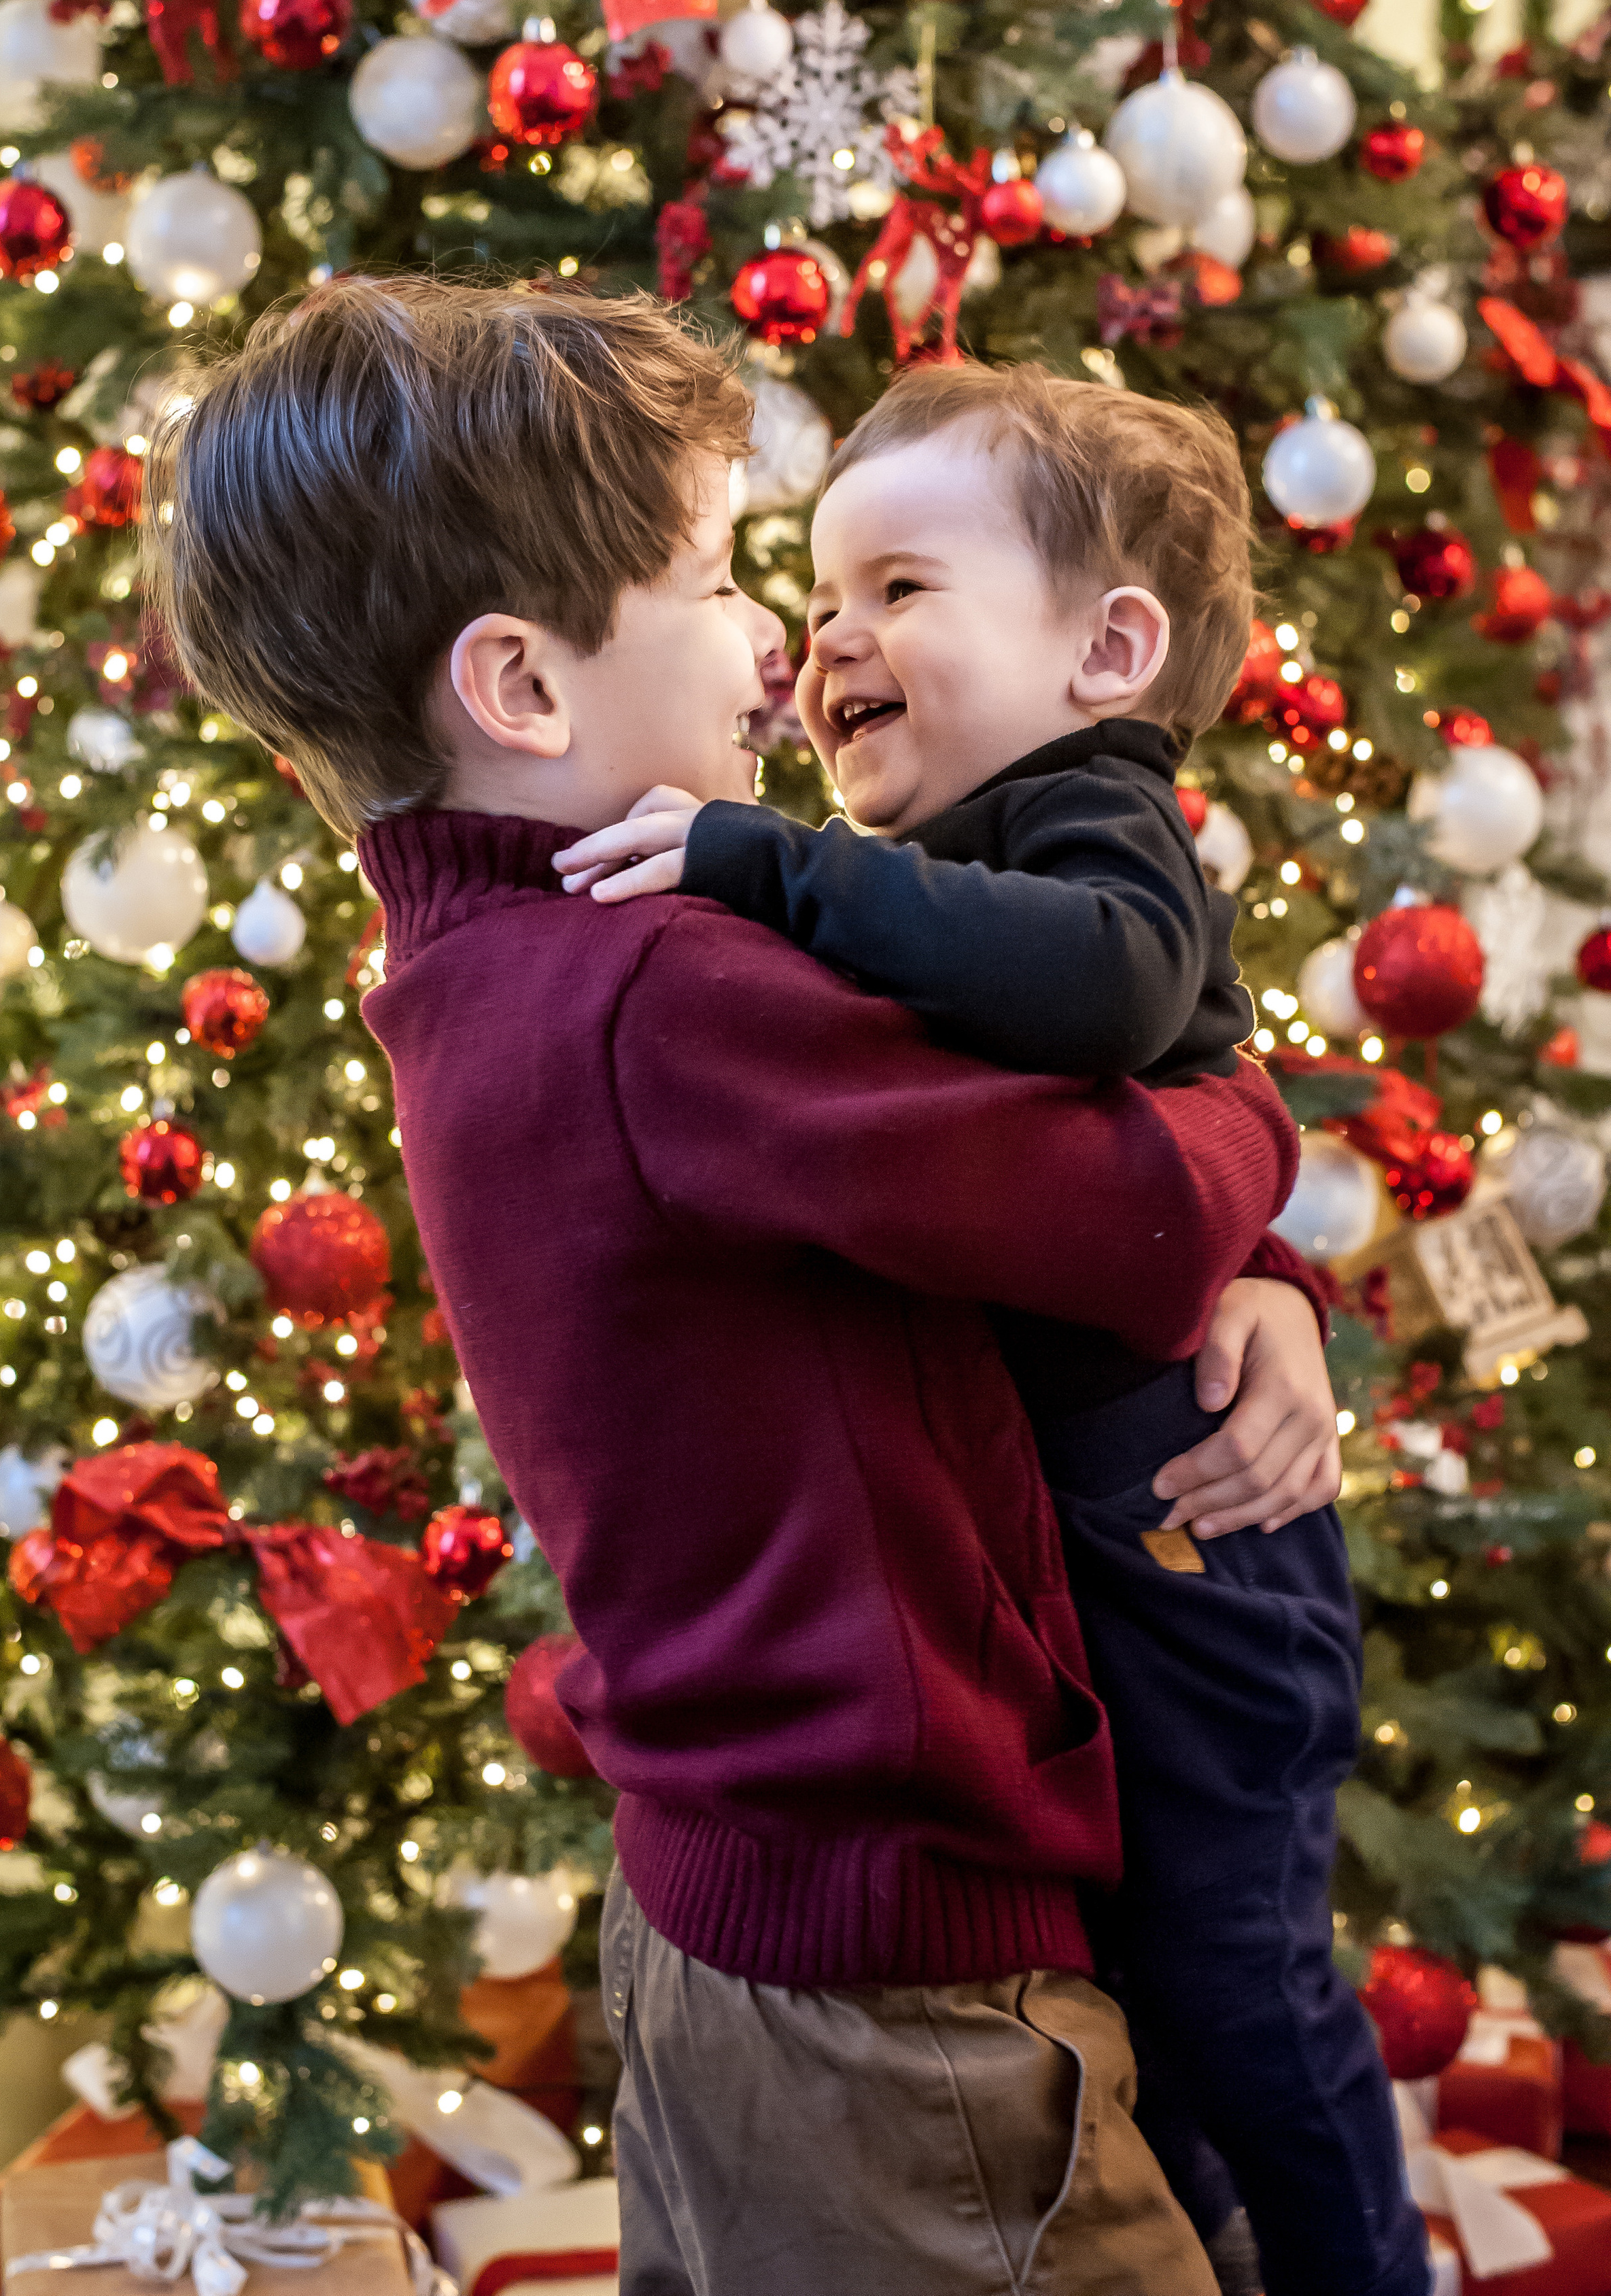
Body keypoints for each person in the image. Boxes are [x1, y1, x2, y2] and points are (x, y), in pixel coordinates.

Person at [150, 277, 1345, 2296]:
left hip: (725, 1919)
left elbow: (981, 1191)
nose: (780, 640)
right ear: (523, 689)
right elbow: (1137, 1224)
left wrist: (1275, 1276)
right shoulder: (669, 989)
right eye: (716, 580)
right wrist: (1254, 1115)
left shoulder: (483, 969)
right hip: (898, 1979)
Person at [559, 360, 1426, 2296]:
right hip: (1077, 1556)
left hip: (1190, 1540)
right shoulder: (922, 877)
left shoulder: (1089, 814)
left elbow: (1116, 1000)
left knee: (1241, 1981)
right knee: (1136, 1991)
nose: (825, 637)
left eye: (899, 590)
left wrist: (768, 859)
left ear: (1108, 647)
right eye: (817, 590)